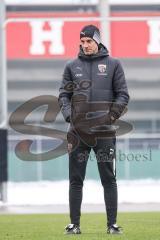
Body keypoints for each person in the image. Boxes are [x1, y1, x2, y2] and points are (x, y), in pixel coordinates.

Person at [58, 24, 129, 235]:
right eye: (82, 42)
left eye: (89, 41)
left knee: (108, 178)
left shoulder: (114, 64)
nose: (85, 45)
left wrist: (111, 116)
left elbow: (123, 95)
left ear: (97, 41)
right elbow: (63, 95)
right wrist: (70, 116)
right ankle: (74, 225)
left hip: (104, 133)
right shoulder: (71, 66)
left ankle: (112, 225)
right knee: (75, 180)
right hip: (77, 133)